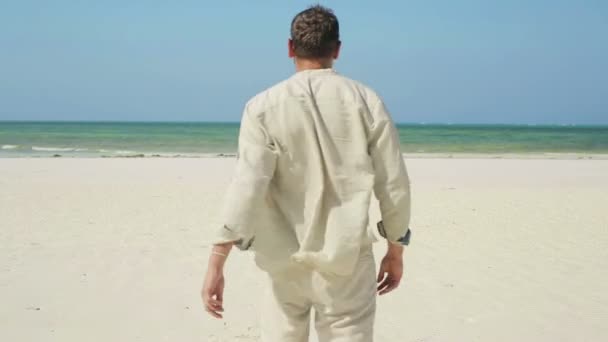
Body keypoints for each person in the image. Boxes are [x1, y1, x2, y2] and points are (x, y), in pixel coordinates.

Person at [201, 5, 411, 342]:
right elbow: (394, 183)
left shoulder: (262, 107)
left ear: (289, 48)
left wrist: (217, 260)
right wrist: (395, 248)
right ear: (337, 49)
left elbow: (248, 185)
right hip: (347, 259)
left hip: (283, 259)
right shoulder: (366, 101)